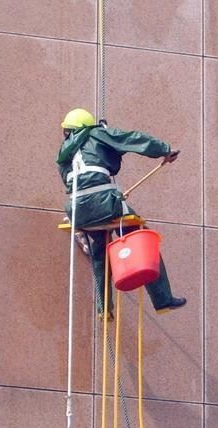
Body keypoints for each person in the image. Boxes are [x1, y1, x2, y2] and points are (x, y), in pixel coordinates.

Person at [56, 108, 186, 317]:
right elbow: (131, 139)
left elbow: (72, 179)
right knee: (140, 234)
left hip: (77, 211)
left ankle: (104, 309)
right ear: (87, 126)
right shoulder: (96, 134)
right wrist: (163, 150)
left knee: (100, 252)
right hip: (104, 202)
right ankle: (163, 299)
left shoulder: (64, 152)